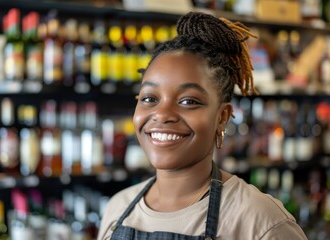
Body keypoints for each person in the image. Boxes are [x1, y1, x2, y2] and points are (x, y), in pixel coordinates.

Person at [97, 11, 307, 240]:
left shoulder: (261, 221)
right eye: (149, 98)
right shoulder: (117, 209)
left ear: (222, 117)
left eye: (188, 101)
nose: (162, 115)